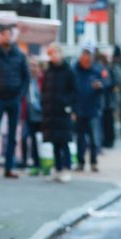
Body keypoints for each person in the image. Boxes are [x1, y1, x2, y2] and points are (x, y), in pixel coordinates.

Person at [0, 25, 30, 178]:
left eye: (9, 35)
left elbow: (26, 77)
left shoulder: (19, 55)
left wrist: (21, 95)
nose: (6, 38)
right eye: (4, 35)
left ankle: (9, 167)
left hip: (14, 98)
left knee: (12, 135)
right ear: (0, 37)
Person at [41, 43, 77, 183]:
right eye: (51, 53)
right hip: (51, 111)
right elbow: (45, 90)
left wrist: (68, 105)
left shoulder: (68, 71)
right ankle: (58, 168)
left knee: (64, 141)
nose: (54, 56)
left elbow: (74, 90)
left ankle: (66, 168)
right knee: (54, 142)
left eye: (56, 53)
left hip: (62, 111)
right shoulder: (49, 71)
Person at [72, 43, 110, 172]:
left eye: (89, 55)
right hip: (79, 108)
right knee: (80, 138)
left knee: (94, 137)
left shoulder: (98, 70)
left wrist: (101, 85)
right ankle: (80, 162)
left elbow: (107, 82)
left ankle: (94, 161)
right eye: (85, 54)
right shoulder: (75, 69)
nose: (87, 58)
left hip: (94, 108)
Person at [20, 57, 44, 175]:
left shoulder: (42, 80)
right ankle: (24, 161)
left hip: (39, 114)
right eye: (30, 65)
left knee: (36, 139)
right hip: (27, 113)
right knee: (24, 137)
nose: (32, 68)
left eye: (34, 65)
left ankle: (37, 162)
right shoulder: (25, 79)